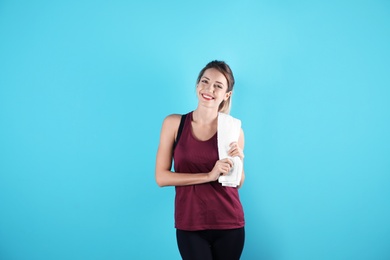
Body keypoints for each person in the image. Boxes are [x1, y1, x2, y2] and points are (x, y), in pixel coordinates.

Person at [155, 60, 245, 260]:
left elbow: (237, 183)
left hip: (229, 223)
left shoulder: (233, 130)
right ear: (197, 85)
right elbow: (161, 178)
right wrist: (208, 175)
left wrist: (239, 161)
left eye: (218, 86)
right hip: (190, 223)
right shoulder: (174, 124)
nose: (209, 89)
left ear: (226, 95)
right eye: (205, 81)